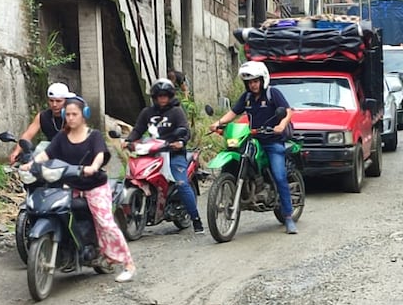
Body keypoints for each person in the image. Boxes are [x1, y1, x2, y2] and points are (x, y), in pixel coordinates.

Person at [35, 97, 137, 282]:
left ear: (84, 115)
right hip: (70, 187)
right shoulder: (61, 137)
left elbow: (99, 154)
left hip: (94, 186)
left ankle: (128, 264)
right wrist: (31, 163)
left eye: (75, 114)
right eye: (69, 114)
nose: (71, 118)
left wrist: (94, 167)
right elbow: (46, 154)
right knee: (56, 212)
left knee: (105, 223)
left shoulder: (94, 135)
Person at [208, 61, 297, 234]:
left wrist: (281, 125)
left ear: (262, 80)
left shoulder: (273, 93)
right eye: (249, 82)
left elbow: (288, 111)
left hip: (272, 141)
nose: (253, 85)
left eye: (255, 81)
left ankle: (288, 217)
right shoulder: (247, 97)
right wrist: (218, 123)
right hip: (253, 139)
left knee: (279, 176)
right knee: (237, 159)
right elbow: (233, 113)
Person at [127, 79, 202, 234]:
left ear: (170, 96)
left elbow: (184, 130)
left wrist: (180, 142)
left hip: (174, 154)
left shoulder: (176, 112)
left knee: (181, 183)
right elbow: (138, 130)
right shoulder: (147, 112)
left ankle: (196, 219)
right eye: (159, 96)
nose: (162, 99)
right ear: (154, 97)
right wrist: (128, 140)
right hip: (152, 152)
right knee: (132, 175)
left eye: (165, 96)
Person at [9, 82, 72, 164]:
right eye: (51, 101)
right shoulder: (42, 116)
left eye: (58, 101)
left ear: (66, 101)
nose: (54, 104)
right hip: (50, 153)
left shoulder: (72, 116)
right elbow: (28, 135)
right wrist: (16, 152)